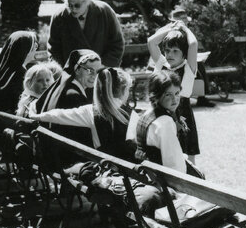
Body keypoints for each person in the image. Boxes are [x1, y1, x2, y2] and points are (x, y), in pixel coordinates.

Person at [33, 68, 134, 159]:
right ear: (124, 90)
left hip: (107, 166)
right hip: (129, 167)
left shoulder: (90, 111)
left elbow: (58, 115)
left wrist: (34, 115)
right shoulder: (132, 114)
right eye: (128, 89)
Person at [147, 19, 200, 161]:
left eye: (175, 51)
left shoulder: (188, 68)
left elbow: (193, 44)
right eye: (167, 50)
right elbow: (152, 41)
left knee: (188, 156)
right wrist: (171, 27)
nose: (170, 54)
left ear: (184, 54)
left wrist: (184, 29)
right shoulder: (161, 64)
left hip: (182, 112)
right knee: (163, 154)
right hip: (161, 113)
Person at [48, 0, 125, 67]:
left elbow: (117, 44)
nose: (73, 9)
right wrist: (62, 72)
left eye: (77, 5)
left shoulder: (104, 11)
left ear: (87, 1)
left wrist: (103, 67)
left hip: (101, 72)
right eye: (69, 5)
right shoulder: (59, 16)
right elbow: (53, 49)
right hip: (71, 75)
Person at [127, 70, 190, 174]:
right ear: (156, 95)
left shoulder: (145, 114)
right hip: (163, 180)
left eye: (177, 93)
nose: (174, 99)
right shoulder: (165, 122)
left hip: (149, 172)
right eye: (168, 95)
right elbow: (175, 165)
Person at [0, 30, 36, 114]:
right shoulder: (20, 74)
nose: (36, 48)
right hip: (4, 124)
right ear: (26, 51)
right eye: (34, 46)